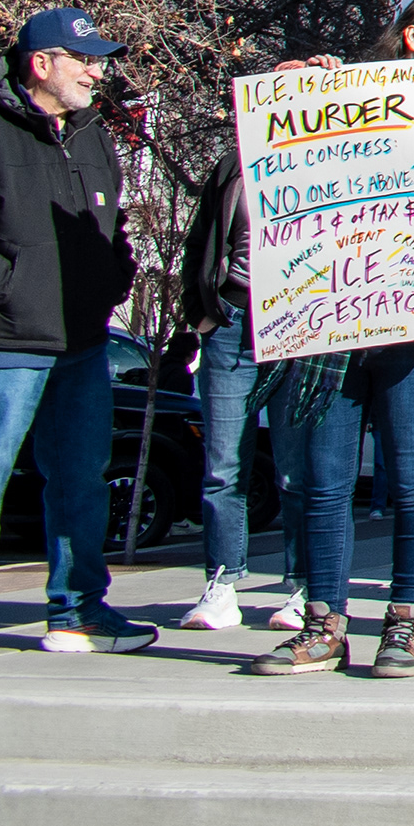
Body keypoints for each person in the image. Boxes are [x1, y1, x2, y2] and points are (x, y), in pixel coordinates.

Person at [252, 0, 414, 678]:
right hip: (334, 323)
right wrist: (298, 90)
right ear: (412, 35)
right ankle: (323, 623)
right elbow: (284, 168)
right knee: (325, 482)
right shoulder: (341, 101)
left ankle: (405, 622)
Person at [0, 7, 152, 661]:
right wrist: (11, 288)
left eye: (99, 60)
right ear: (41, 65)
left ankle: (77, 612)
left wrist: (114, 275)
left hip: (82, 343)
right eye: (84, 60)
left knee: (80, 481)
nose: (97, 72)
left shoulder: (95, 134)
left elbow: (112, 227)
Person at [172, 122, 282, 633]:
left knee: (300, 469)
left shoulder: (340, 162)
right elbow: (201, 240)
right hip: (233, 320)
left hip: (302, 325)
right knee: (223, 465)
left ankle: (305, 586)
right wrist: (202, 313)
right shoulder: (236, 161)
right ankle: (222, 583)